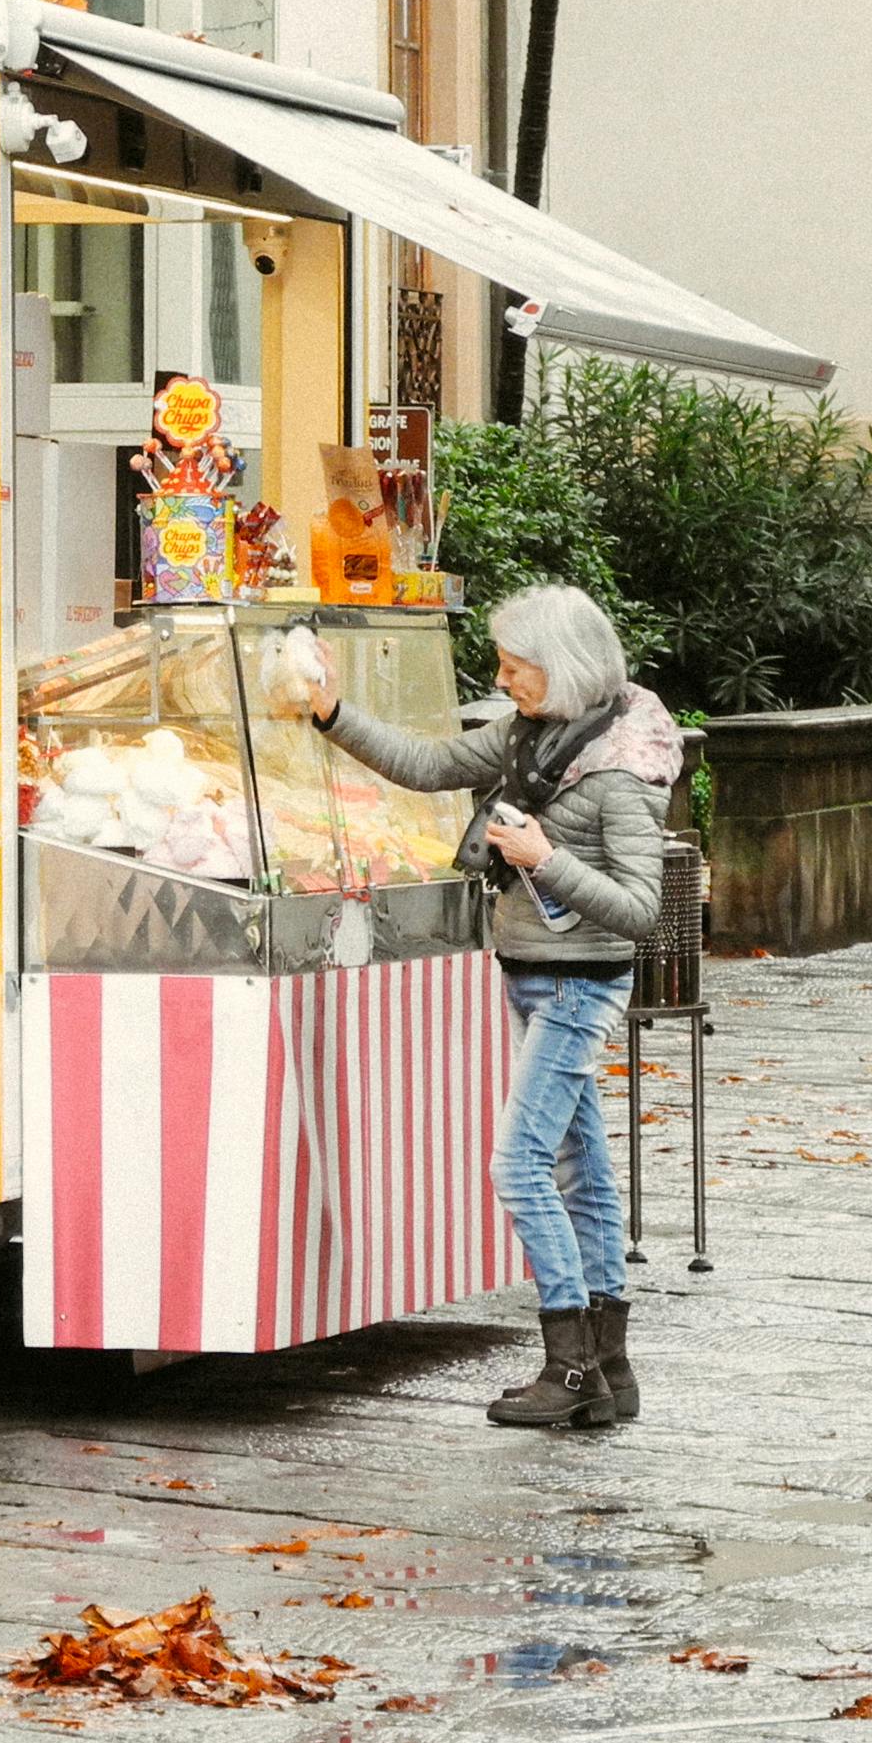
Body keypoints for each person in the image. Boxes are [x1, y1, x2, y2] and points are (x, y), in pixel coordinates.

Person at [291, 585, 673, 1430]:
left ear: (564, 667)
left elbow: (643, 912)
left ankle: (567, 1364)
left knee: (518, 1166)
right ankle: (608, 1369)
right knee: (583, 1169)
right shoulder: (529, 739)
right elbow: (429, 766)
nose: (502, 679)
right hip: (533, 972)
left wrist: (544, 856)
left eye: (516, 665)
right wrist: (332, 712)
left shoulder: (622, 769)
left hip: (581, 982)